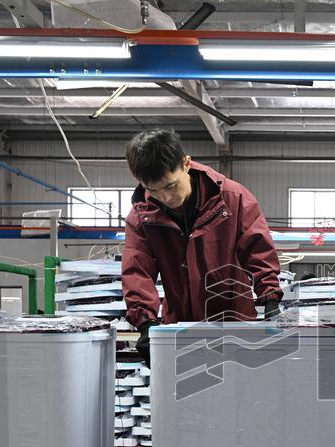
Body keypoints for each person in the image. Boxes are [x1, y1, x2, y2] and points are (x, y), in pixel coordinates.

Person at [121, 130, 283, 365]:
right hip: (179, 326)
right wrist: (146, 323)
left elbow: (257, 249)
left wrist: (270, 297)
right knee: (185, 396)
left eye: (170, 186)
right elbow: (137, 271)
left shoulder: (232, 198)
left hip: (234, 323)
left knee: (237, 396)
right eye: (153, 190)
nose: (165, 197)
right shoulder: (141, 217)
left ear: (186, 163)